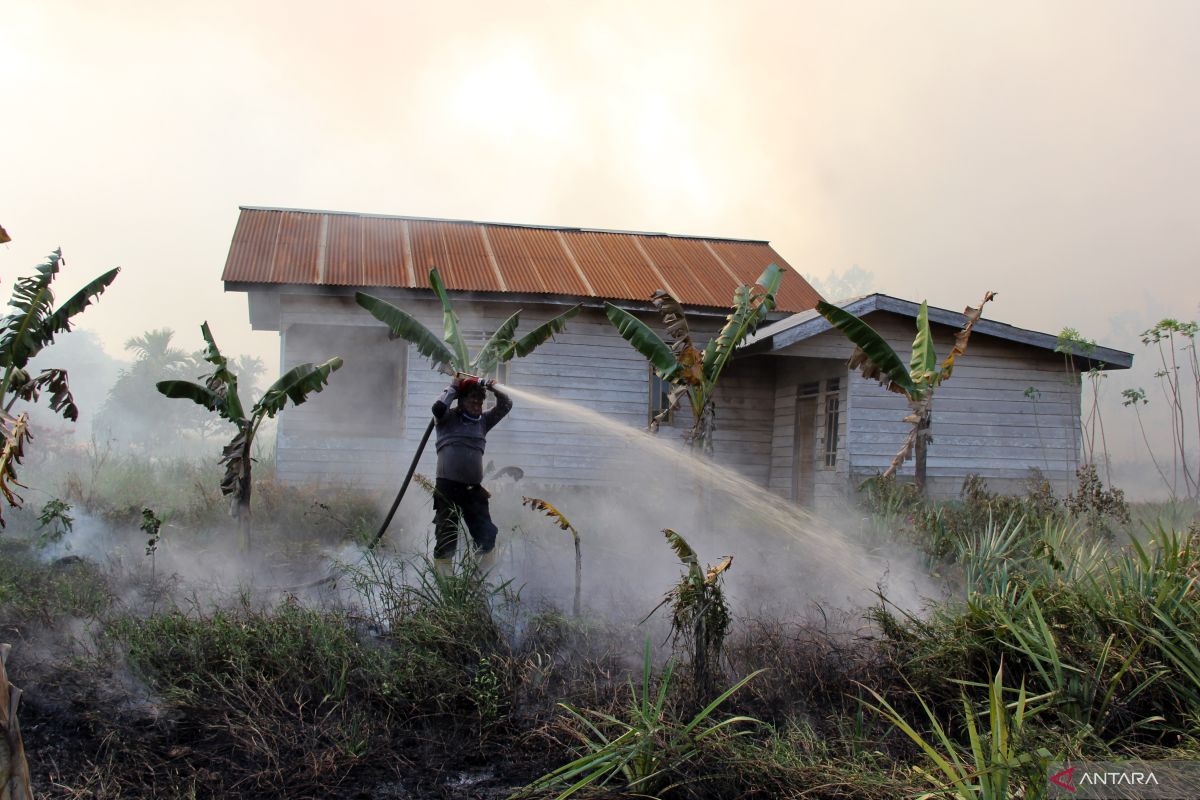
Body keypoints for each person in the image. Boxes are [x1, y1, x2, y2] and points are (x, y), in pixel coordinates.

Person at [430, 374, 512, 576]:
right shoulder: (446, 419)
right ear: (461, 400)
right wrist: (453, 387)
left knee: (487, 535)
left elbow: (506, 405)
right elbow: (437, 408)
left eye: (480, 400)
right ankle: (445, 586)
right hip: (447, 489)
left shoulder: (483, 421)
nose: (477, 403)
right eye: (471, 399)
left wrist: (495, 388)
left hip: (473, 490)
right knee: (446, 538)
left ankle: (481, 581)